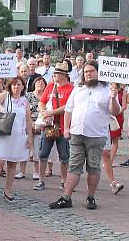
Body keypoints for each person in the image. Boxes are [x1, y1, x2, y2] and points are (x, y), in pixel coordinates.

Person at [49, 60, 121, 210]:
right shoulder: (78, 88)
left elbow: (115, 111)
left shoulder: (108, 89)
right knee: (74, 166)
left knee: (93, 167)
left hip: (96, 135)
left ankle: (91, 197)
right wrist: (67, 129)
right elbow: (69, 109)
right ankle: (66, 197)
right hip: (76, 133)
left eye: (91, 71)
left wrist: (113, 97)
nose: (88, 74)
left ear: (98, 72)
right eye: (86, 71)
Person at [0, 77, 33, 204]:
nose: (16, 87)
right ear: (10, 86)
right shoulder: (5, 95)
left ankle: (7, 192)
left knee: (12, 164)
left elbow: (28, 120)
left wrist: (30, 137)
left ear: (23, 87)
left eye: (19, 85)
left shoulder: (25, 101)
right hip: (3, 134)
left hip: (18, 136)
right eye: (14, 85)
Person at [38, 62, 75, 190]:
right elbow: (41, 102)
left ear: (64, 75)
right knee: (43, 153)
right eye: (54, 73)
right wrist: (44, 113)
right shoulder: (50, 86)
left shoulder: (71, 89)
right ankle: (41, 180)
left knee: (64, 156)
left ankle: (64, 181)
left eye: (57, 73)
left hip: (64, 126)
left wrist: (51, 112)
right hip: (48, 125)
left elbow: (68, 107)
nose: (54, 75)